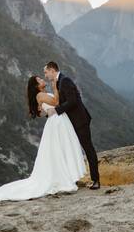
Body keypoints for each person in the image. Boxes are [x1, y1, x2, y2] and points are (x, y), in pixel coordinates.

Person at [0, 74, 88, 205]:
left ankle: (66, 175)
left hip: (59, 120)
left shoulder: (42, 94)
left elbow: (49, 107)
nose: (43, 80)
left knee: (61, 149)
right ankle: (62, 178)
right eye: (40, 79)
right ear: (36, 85)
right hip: (56, 122)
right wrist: (55, 87)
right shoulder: (39, 95)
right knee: (58, 150)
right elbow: (56, 102)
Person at [43, 61, 100, 189]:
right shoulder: (59, 82)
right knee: (70, 150)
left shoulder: (65, 81)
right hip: (71, 123)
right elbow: (62, 102)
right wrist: (50, 112)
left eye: (46, 72)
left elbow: (72, 101)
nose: (46, 76)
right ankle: (72, 179)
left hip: (80, 121)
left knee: (88, 149)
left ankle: (96, 180)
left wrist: (56, 111)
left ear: (52, 70)